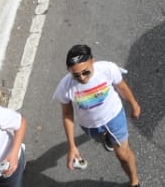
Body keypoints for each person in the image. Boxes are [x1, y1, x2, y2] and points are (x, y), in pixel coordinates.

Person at [54, 44, 143, 186]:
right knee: (105, 138)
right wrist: (72, 146)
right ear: (68, 71)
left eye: (86, 72)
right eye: (75, 75)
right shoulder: (65, 86)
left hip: (114, 117)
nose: (82, 78)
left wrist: (134, 104)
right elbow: (67, 114)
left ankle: (134, 181)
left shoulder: (107, 69)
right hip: (91, 127)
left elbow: (122, 87)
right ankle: (107, 138)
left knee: (123, 155)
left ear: (93, 61)